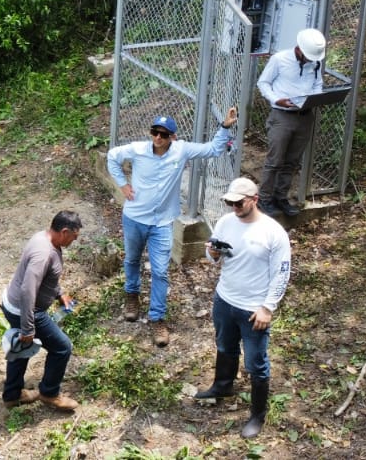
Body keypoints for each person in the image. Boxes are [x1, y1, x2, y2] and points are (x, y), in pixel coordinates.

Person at [108, 106, 239, 347]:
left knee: (160, 270)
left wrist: (225, 127)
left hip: (162, 222)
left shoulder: (181, 150)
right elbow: (112, 156)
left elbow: (212, 149)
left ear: (173, 137)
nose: (158, 137)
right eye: (155, 132)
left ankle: (157, 317)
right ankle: (132, 296)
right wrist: (122, 184)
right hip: (135, 217)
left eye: (164, 134)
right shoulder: (137, 149)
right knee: (132, 259)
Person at [193, 177, 292, 439]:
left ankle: (258, 415)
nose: (234, 206)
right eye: (230, 202)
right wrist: (212, 254)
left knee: (255, 363)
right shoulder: (226, 222)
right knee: (224, 346)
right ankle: (222, 386)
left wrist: (267, 308)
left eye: (239, 202)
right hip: (225, 299)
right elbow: (213, 256)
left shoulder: (273, 233)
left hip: (253, 309)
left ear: (254, 200)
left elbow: (282, 274)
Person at [0, 210, 84, 412]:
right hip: (26, 310)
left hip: (13, 303)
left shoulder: (43, 238)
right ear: (64, 231)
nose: (74, 241)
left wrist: (60, 294)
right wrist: (28, 328)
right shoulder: (44, 254)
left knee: (22, 348)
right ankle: (49, 393)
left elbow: (46, 279)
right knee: (62, 347)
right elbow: (28, 290)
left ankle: (12, 395)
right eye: (74, 237)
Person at [256, 27, 327, 217]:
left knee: (291, 161)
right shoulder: (280, 59)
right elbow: (263, 83)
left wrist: (316, 97)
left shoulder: (316, 63)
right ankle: (264, 199)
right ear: (299, 49)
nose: (312, 60)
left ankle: (281, 197)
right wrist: (275, 99)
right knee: (275, 160)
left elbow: (317, 83)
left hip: (305, 115)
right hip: (282, 115)